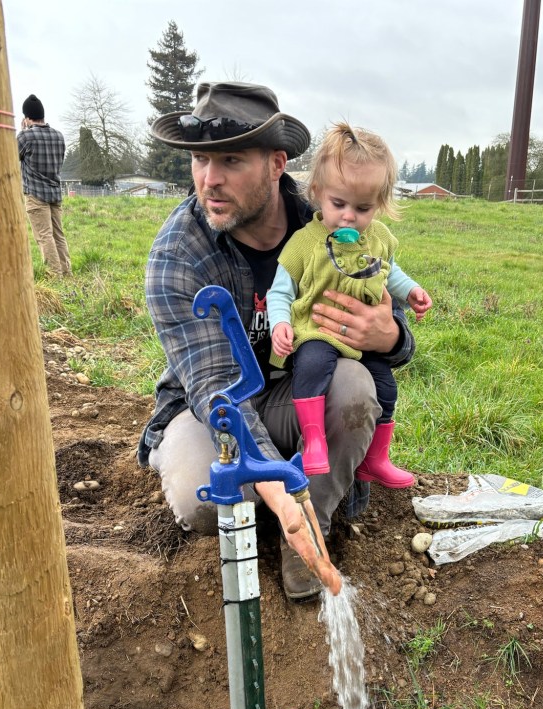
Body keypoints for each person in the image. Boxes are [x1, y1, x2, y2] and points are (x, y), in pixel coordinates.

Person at [137, 82, 416, 600]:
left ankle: (310, 527)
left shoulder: (333, 220)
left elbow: (387, 322)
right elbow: (215, 388)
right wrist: (279, 490)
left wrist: (392, 335)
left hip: (297, 392)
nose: (209, 179)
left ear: (276, 164)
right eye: (200, 160)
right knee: (205, 495)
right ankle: (275, 494)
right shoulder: (178, 256)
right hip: (210, 406)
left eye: (231, 160)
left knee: (354, 388)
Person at [268, 123, 431, 487]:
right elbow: (280, 291)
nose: (348, 217)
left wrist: (411, 291)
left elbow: (390, 272)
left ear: (380, 204)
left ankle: (375, 459)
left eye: (363, 208)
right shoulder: (304, 242)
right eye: (338, 204)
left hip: (363, 337)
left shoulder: (379, 238)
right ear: (317, 192)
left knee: (385, 385)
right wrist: (280, 323)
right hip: (317, 331)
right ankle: (314, 442)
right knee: (311, 366)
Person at [17, 94, 71, 276]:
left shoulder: (25, 137)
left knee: (44, 236)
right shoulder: (59, 136)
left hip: (35, 194)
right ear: (42, 115)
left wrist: (23, 131)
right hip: (55, 193)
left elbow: (12, 157)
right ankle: (66, 272)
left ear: (27, 117)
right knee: (58, 235)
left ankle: (54, 275)